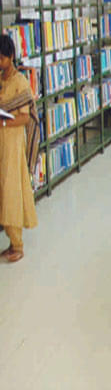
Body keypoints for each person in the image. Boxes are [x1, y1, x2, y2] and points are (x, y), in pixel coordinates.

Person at [0, 35, 38, 262]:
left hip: (12, 143)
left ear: (11, 56)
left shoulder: (20, 83)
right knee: (2, 190)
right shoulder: (1, 80)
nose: (0, 62)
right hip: (1, 142)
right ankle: (10, 240)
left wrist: (4, 123)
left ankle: (18, 244)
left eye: (2, 58)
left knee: (11, 189)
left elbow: (25, 118)